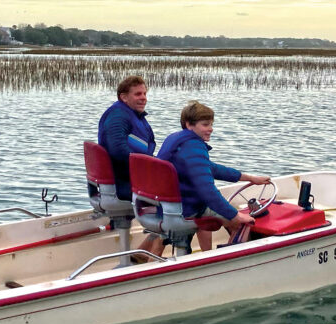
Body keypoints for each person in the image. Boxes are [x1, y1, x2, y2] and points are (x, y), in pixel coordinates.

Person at [157, 101, 270, 251]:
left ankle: (206, 254)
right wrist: (235, 216)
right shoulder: (194, 147)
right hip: (187, 208)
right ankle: (230, 258)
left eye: (211, 124)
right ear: (189, 124)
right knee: (242, 222)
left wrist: (249, 178)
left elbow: (212, 168)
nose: (211, 129)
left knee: (211, 208)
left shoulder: (176, 139)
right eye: (205, 125)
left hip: (167, 206)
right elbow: (207, 191)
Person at [97, 75, 164, 260]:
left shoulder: (133, 115)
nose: (143, 98)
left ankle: (142, 252)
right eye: (138, 94)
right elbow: (118, 151)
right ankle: (155, 258)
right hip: (123, 183)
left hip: (130, 179)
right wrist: (149, 170)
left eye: (144, 93)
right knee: (179, 199)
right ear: (124, 97)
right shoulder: (118, 116)